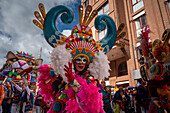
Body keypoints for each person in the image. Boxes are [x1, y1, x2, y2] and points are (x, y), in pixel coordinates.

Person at [33, 2, 118, 113]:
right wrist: (32, 69)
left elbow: (90, 105)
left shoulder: (93, 81)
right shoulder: (63, 79)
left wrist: (73, 81)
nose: (81, 63)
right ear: (72, 60)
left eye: (84, 60)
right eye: (78, 59)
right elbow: (49, 70)